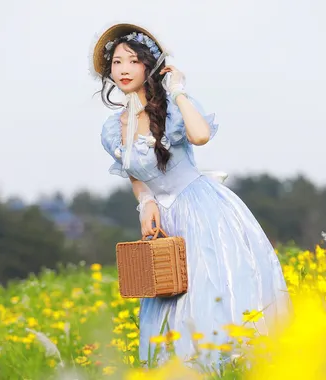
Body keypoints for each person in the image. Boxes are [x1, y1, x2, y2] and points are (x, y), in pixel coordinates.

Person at [89, 22, 292, 369]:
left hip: (202, 211)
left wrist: (179, 90)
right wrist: (145, 202)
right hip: (164, 223)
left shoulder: (171, 108)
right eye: (117, 62)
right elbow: (135, 174)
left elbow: (199, 137)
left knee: (209, 289)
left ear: (148, 67)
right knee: (169, 294)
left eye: (133, 61)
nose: (123, 69)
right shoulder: (114, 127)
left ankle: (230, 366)